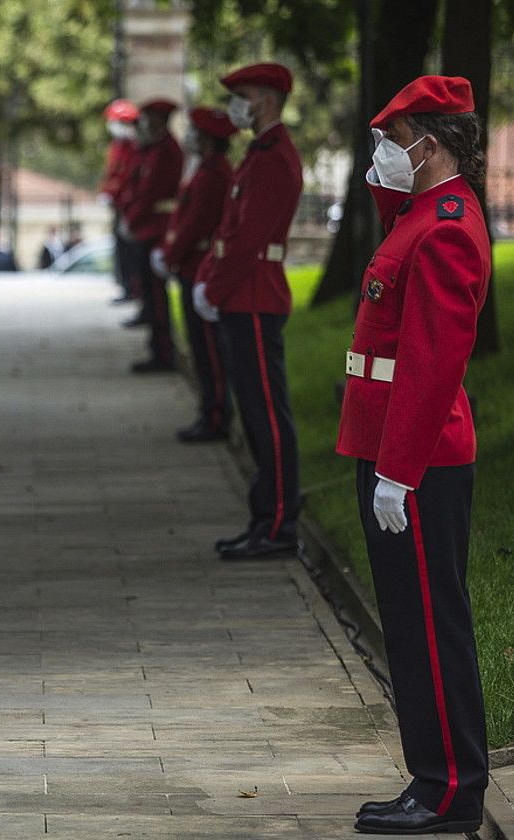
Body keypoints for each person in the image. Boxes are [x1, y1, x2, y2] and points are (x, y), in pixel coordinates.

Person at [337, 76, 490, 837]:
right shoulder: (419, 215)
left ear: (429, 144)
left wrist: (400, 469)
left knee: (433, 623)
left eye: (393, 142)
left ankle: (452, 788)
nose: (383, 154)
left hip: (419, 458)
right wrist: (380, 185)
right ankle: (430, 778)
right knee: (407, 620)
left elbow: (432, 364)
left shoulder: (449, 226)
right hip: (391, 449)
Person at [191, 63, 303, 560]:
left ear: (269, 99)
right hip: (244, 295)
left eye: (244, 94)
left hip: (255, 297)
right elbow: (230, 233)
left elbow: (248, 240)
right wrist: (211, 284)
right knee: (256, 414)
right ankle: (266, 517)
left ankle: (278, 524)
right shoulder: (258, 154)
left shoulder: (275, 157)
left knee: (266, 417)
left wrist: (214, 289)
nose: (236, 104)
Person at [152, 107, 238, 441]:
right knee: (201, 347)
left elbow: (195, 223)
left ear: (207, 140)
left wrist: (170, 254)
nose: (190, 139)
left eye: (196, 134)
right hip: (191, 264)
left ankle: (216, 415)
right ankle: (210, 410)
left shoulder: (214, 174)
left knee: (209, 350)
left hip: (199, 265)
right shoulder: (204, 170)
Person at [122, 99, 184, 371]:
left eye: (148, 118)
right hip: (145, 227)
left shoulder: (166, 151)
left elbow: (151, 193)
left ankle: (163, 353)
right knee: (150, 295)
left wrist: (132, 219)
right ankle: (157, 349)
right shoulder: (151, 148)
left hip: (155, 229)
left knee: (156, 297)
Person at [100, 99, 140, 303]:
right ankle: (126, 286)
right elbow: (112, 173)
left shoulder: (133, 146)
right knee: (122, 247)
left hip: (129, 205)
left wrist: (114, 193)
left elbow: (127, 177)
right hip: (119, 204)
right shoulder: (118, 145)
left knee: (130, 249)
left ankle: (133, 288)